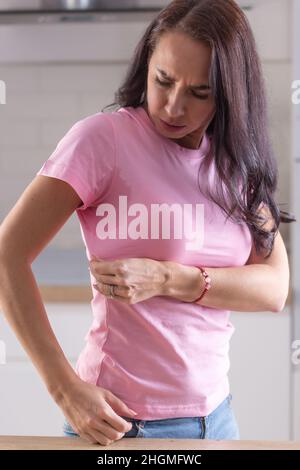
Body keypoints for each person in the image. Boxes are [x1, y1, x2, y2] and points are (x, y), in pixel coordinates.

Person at [0, 0, 293, 446]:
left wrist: (170, 279)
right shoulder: (103, 141)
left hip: (215, 421)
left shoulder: (237, 163)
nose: (174, 106)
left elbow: (274, 288)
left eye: (200, 93)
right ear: (147, 65)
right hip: (121, 425)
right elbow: (7, 255)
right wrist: (65, 390)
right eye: (164, 80)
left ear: (230, 92)